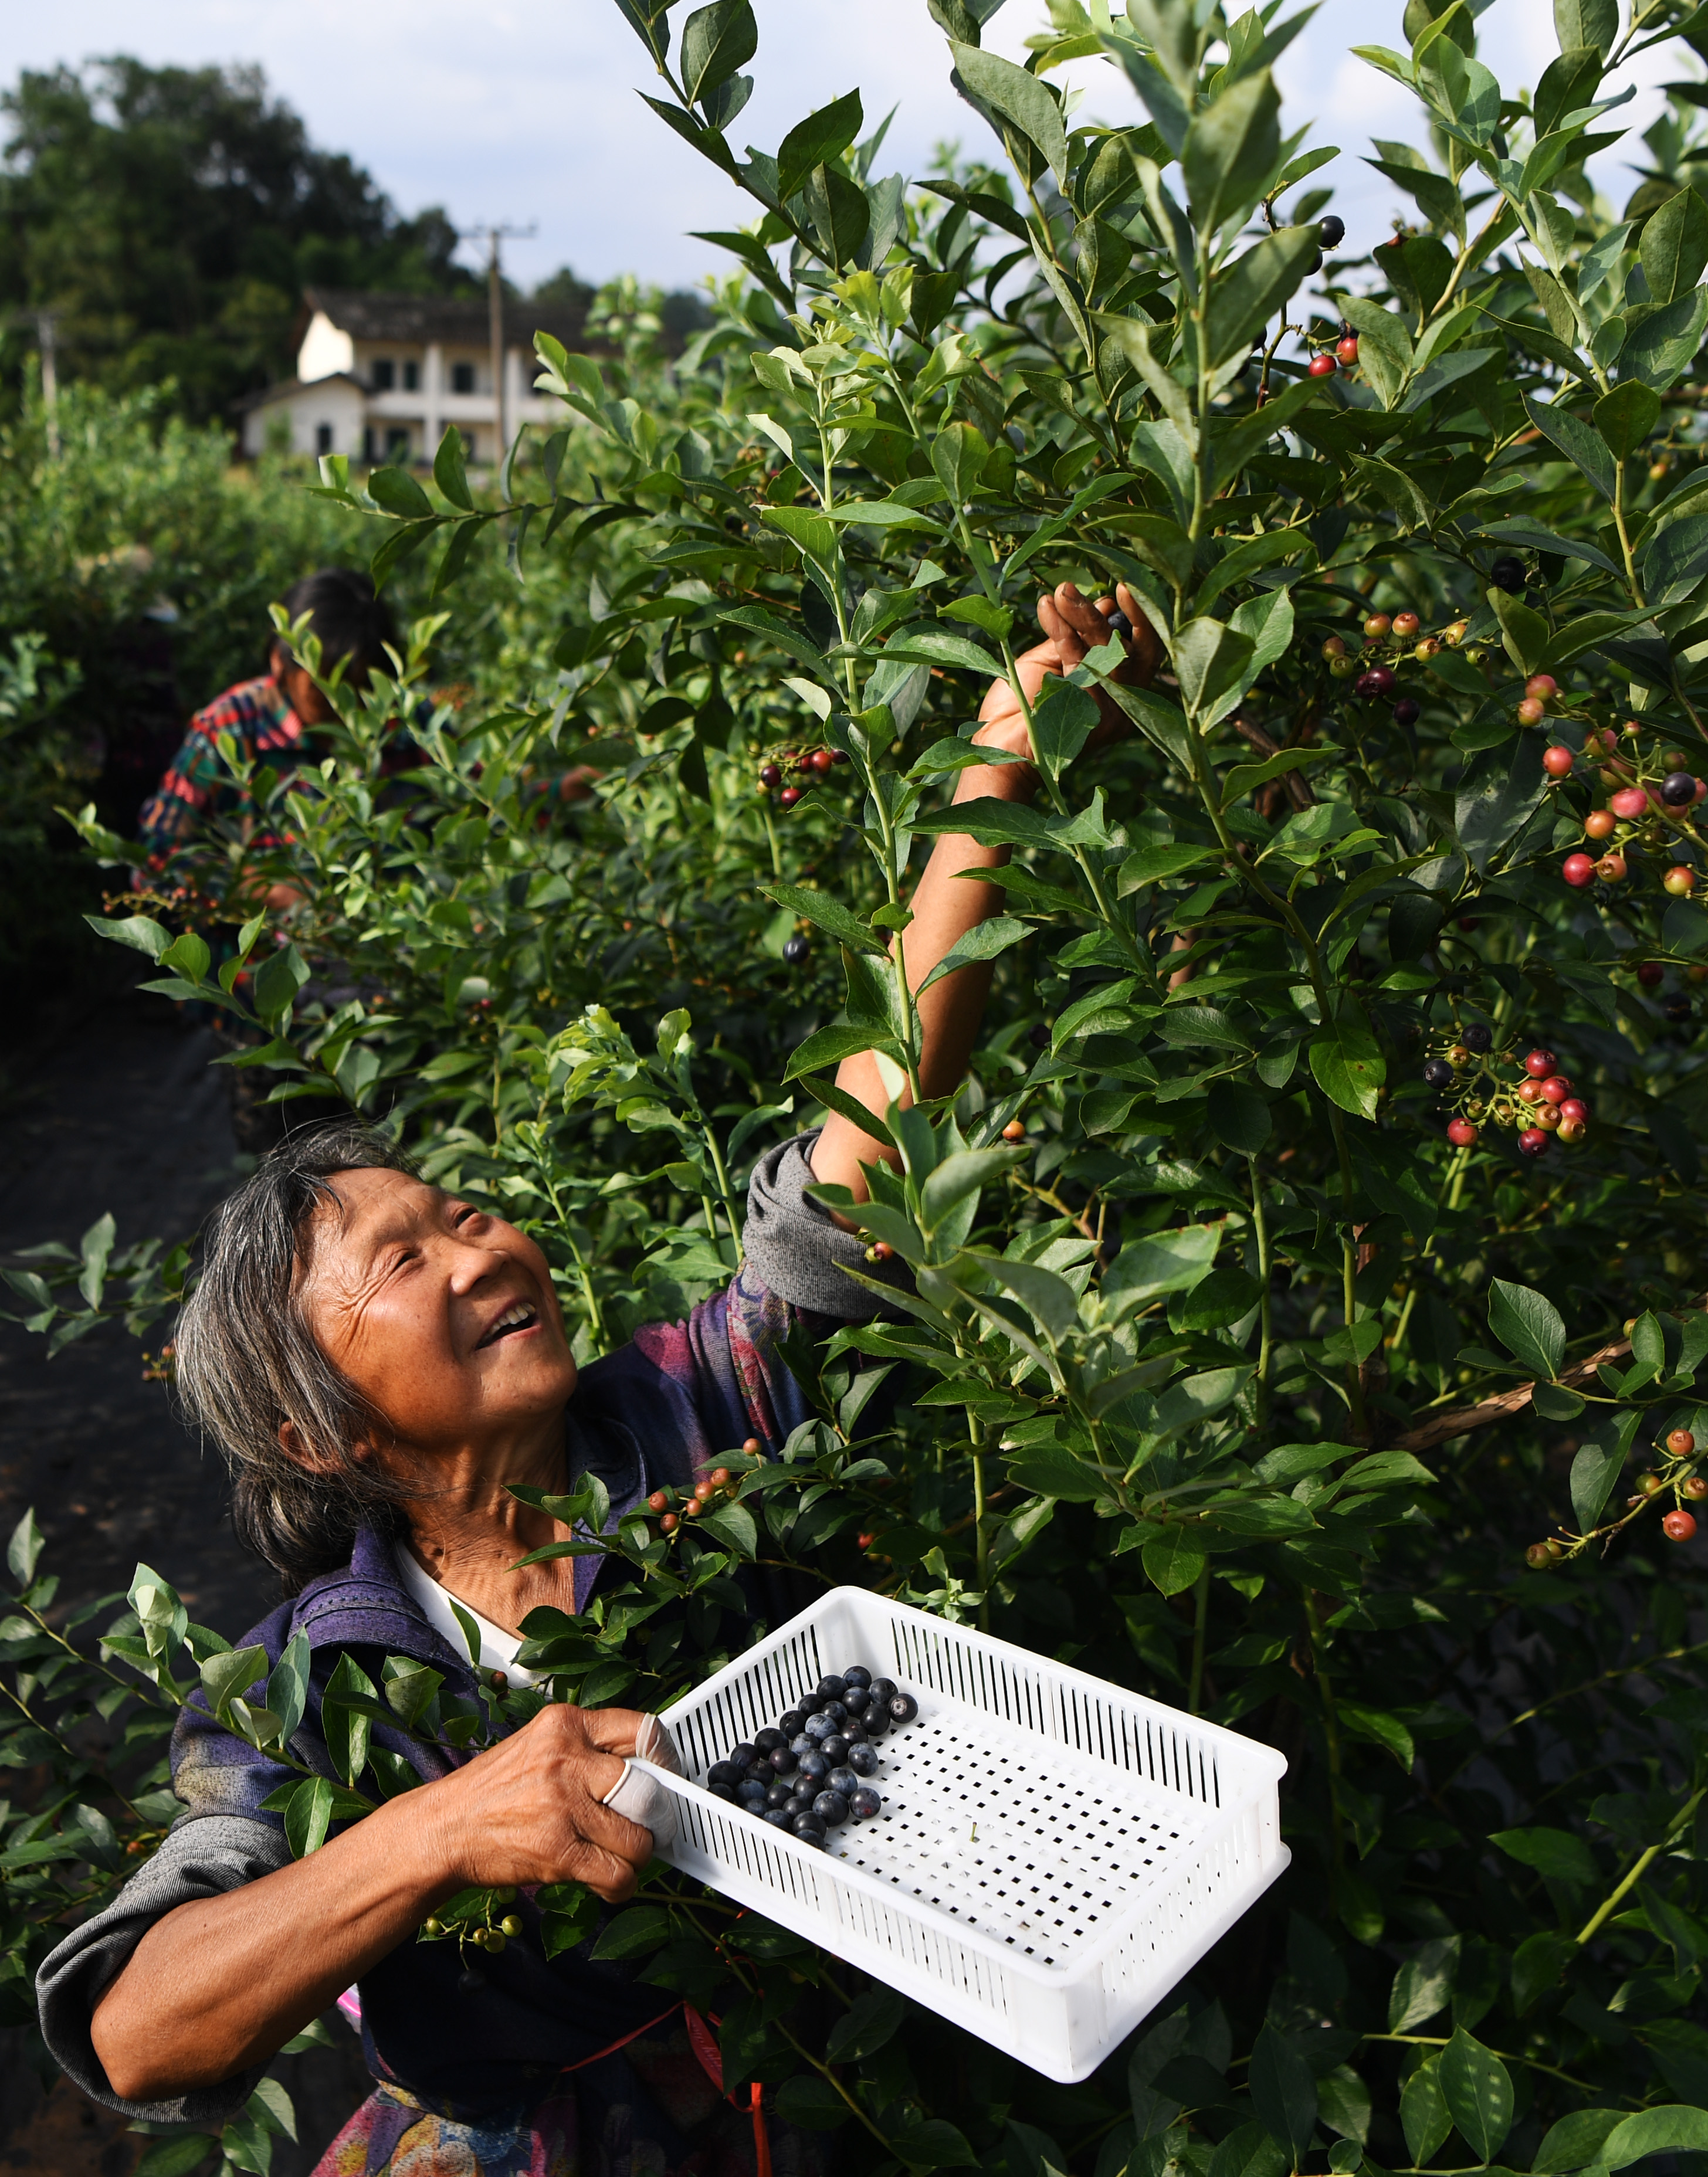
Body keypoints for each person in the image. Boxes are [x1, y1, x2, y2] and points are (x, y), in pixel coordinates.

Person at [38, 584, 1156, 2177]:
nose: (484, 1251)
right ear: (318, 1423)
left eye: (466, 1214)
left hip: (845, 2097)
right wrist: (429, 1832)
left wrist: (1011, 755)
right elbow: (137, 2033)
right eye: (405, 1263)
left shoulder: (711, 1404)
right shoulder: (310, 1689)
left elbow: (889, 1096)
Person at [136, 568, 399, 876]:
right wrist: (256, 890)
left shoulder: (409, 726)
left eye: (361, 687)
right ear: (279, 661)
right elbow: (157, 855)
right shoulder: (231, 726)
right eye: (325, 684)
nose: (342, 702)